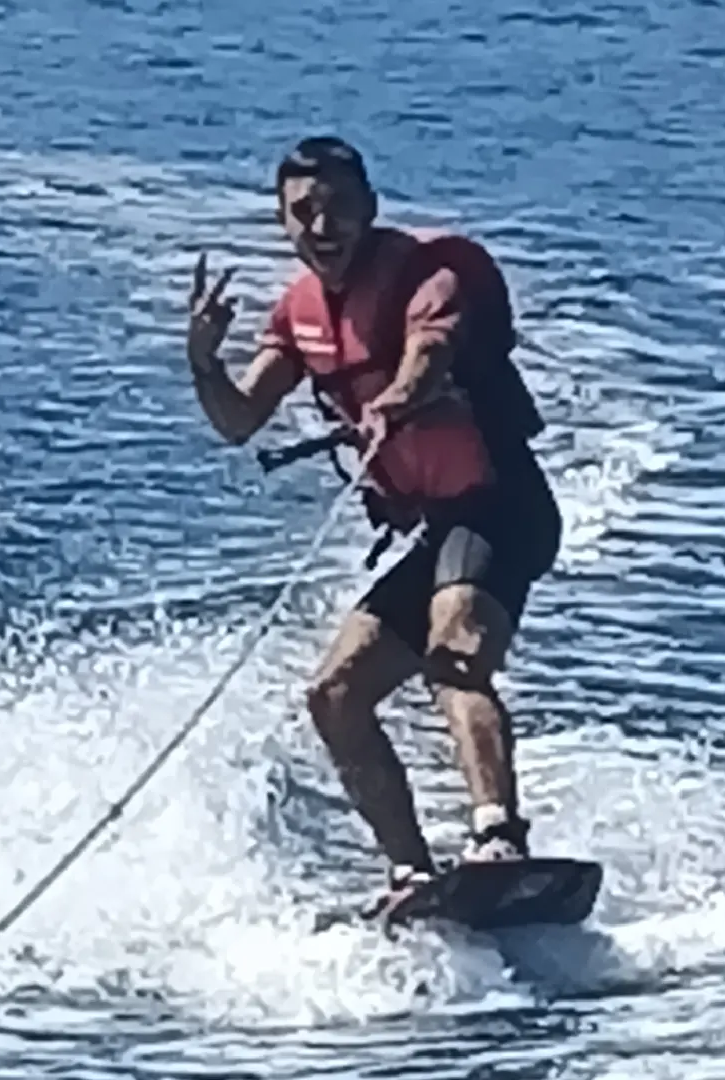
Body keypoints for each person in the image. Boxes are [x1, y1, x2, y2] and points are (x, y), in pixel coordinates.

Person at [182, 135, 562, 911]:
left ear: (371, 209)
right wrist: (202, 362)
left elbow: (430, 353)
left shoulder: (429, 278)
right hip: (437, 525)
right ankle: (412, 873)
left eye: (339, 209)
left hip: (503, 505)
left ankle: (498, 835)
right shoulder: (298, 311)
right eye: (303, 213)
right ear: (283, 223)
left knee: (454, 653)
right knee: (335, 694)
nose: (322, 226)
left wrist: (396, 397)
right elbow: (238, 421)